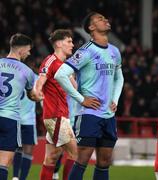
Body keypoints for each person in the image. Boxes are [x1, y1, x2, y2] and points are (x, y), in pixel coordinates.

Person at [54, 12, 124, 180]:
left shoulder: (114, 51)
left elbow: (119, 77)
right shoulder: (85, 51)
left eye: (105, 18)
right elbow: (60, 74)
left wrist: (115, 99)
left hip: (108, 115)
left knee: (105, 160)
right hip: (89, 114)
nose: (105, 19)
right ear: (91, 28)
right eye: (100, 19)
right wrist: (81, 99)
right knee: (84, 157)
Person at [35, 29, 100, 180]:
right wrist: (37, 91)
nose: (72, 45)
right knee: (76, 154)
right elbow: (41, 81)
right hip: (55, 116)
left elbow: (75, 87)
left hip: (60, 116)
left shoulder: (64, 65)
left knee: (52, 157)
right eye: (69, 41)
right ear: (58, 43)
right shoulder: (50, 61)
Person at [0, 33, 39, 180]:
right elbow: (32, 95)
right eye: (28, 50)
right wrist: (38, 97)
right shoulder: (27, 72)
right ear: (22, 50)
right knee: (4, 163)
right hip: (10, 119)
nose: (29, 53)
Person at [12, 75, 38, 180]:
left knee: (17, 148)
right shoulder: (36, 79)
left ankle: (15, 177)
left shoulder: (15, 77)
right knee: (28, 151)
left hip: (15, 118)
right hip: (28, 121)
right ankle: (22, 178)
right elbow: (38, 97)